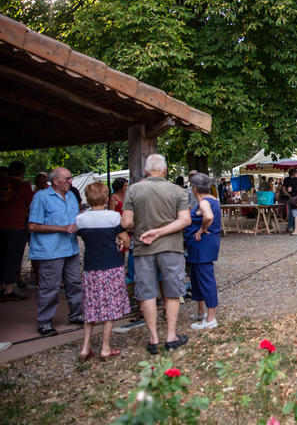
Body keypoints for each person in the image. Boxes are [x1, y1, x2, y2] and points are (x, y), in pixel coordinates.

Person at [121, 154, 191, 354]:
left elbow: (126, 223)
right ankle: (171, 336)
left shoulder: (134, 190)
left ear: (145, 171)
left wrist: (145, 226)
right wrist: (160, 231)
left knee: (147, 293)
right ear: (165, 170)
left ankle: (153, 338)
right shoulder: (177, 191)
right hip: (171, 247)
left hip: (143, 248)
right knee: (172, 291)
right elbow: (185, 220)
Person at [75, 182, 131, 360]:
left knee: (90, 306)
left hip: (91, 267)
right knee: (110, 306)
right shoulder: (113, 217)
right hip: (111, 266)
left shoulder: (80, 219)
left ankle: (85, 347)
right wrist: (122, 241)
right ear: (106, 198)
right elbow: (125, 239)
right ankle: (105, 347)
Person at [28, 167, 84, 337]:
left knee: (75, 284)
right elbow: (32, 226)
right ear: (55, 181)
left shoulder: (72, 196)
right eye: (67, 179)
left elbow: (75, 219)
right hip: (50, 251)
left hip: (71, 248)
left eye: (70, 178)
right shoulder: (41, 197)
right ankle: (44, 322)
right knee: (50, 288)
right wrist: (61, 228)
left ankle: (76, 314)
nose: (70, 181)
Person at [184, 173, 221, 330]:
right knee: (197, 278)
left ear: (194, 189)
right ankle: (201, 312)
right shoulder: (213, 199)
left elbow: (209, 216)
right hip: (200, 247)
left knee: (206, 280)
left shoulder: (205, 202)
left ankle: (211, 317)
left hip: (203, 246)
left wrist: (202, 229)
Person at [0, 161, 33, 300]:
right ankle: (8, 289)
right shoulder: (23, 186)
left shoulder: (1, 183)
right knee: (12, 259)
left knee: (1, 257)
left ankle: (1, 287)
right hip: (16, 226)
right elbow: (32, 203)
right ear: (22, 172)